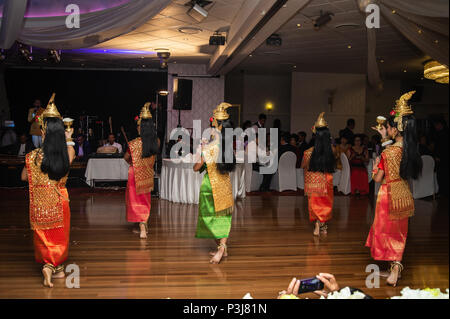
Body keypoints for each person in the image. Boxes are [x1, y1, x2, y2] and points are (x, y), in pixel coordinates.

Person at [366, 91, 423, 287]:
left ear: (397, 128)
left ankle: (396, 267)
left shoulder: (388, 152)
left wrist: (375, 165)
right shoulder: (410, 149)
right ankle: (394, 269)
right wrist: (383, 140)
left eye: (388, 127)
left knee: (386, 231)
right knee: (399, 232)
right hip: (404, 193)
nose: (387, 130)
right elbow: (395, 153)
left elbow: (377, 178)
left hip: (387, 194)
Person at [20, 93, 75, 288]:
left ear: (43, 132)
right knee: (59, 236)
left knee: (44, 236)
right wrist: (68, 139)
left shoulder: (32, 156)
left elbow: (24, 177)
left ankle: (49, 265)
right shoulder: (67, 152)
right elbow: (69, 158)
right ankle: (52, 267)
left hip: (39, 204)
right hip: (59, 201)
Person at [193, 102, 236, 264]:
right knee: (224, 217)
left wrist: (201, 149)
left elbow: (196, 168)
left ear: (215, 126)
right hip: (224, 186)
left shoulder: (208, 147)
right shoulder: (227, 148)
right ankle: (222, 247)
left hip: (208, 186)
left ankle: (221, 248)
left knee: (209, 217)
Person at [124, 103, 158, 239]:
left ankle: (142, 227)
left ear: (141, 128)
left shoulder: (133, 143)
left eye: (139, 126)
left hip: (134, 173)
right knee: (145, 200)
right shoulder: (156, 142)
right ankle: (144, 224)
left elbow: (126, 157)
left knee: (134, 200)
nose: (137, 128)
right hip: (147, 173)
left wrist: (133, 163)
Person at [302, 112, 335, 236]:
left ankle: (317, 223)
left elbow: (304, 167)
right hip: (326, 179)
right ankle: (323, 225)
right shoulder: (331, 150)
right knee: (325, 203)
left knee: (314, 203)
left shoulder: (308, 152)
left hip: (313, 180)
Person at [432, 118, 448, 195]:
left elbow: (442, 147)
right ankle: (443, 191)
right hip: (443, 158)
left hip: (442, 158)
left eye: (436, 125)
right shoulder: (440, 133)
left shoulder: (442, 134)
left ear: (440, 125)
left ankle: (443, 191)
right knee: (443, 175)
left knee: (442, 175)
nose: (435, 127)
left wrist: (438, 156)